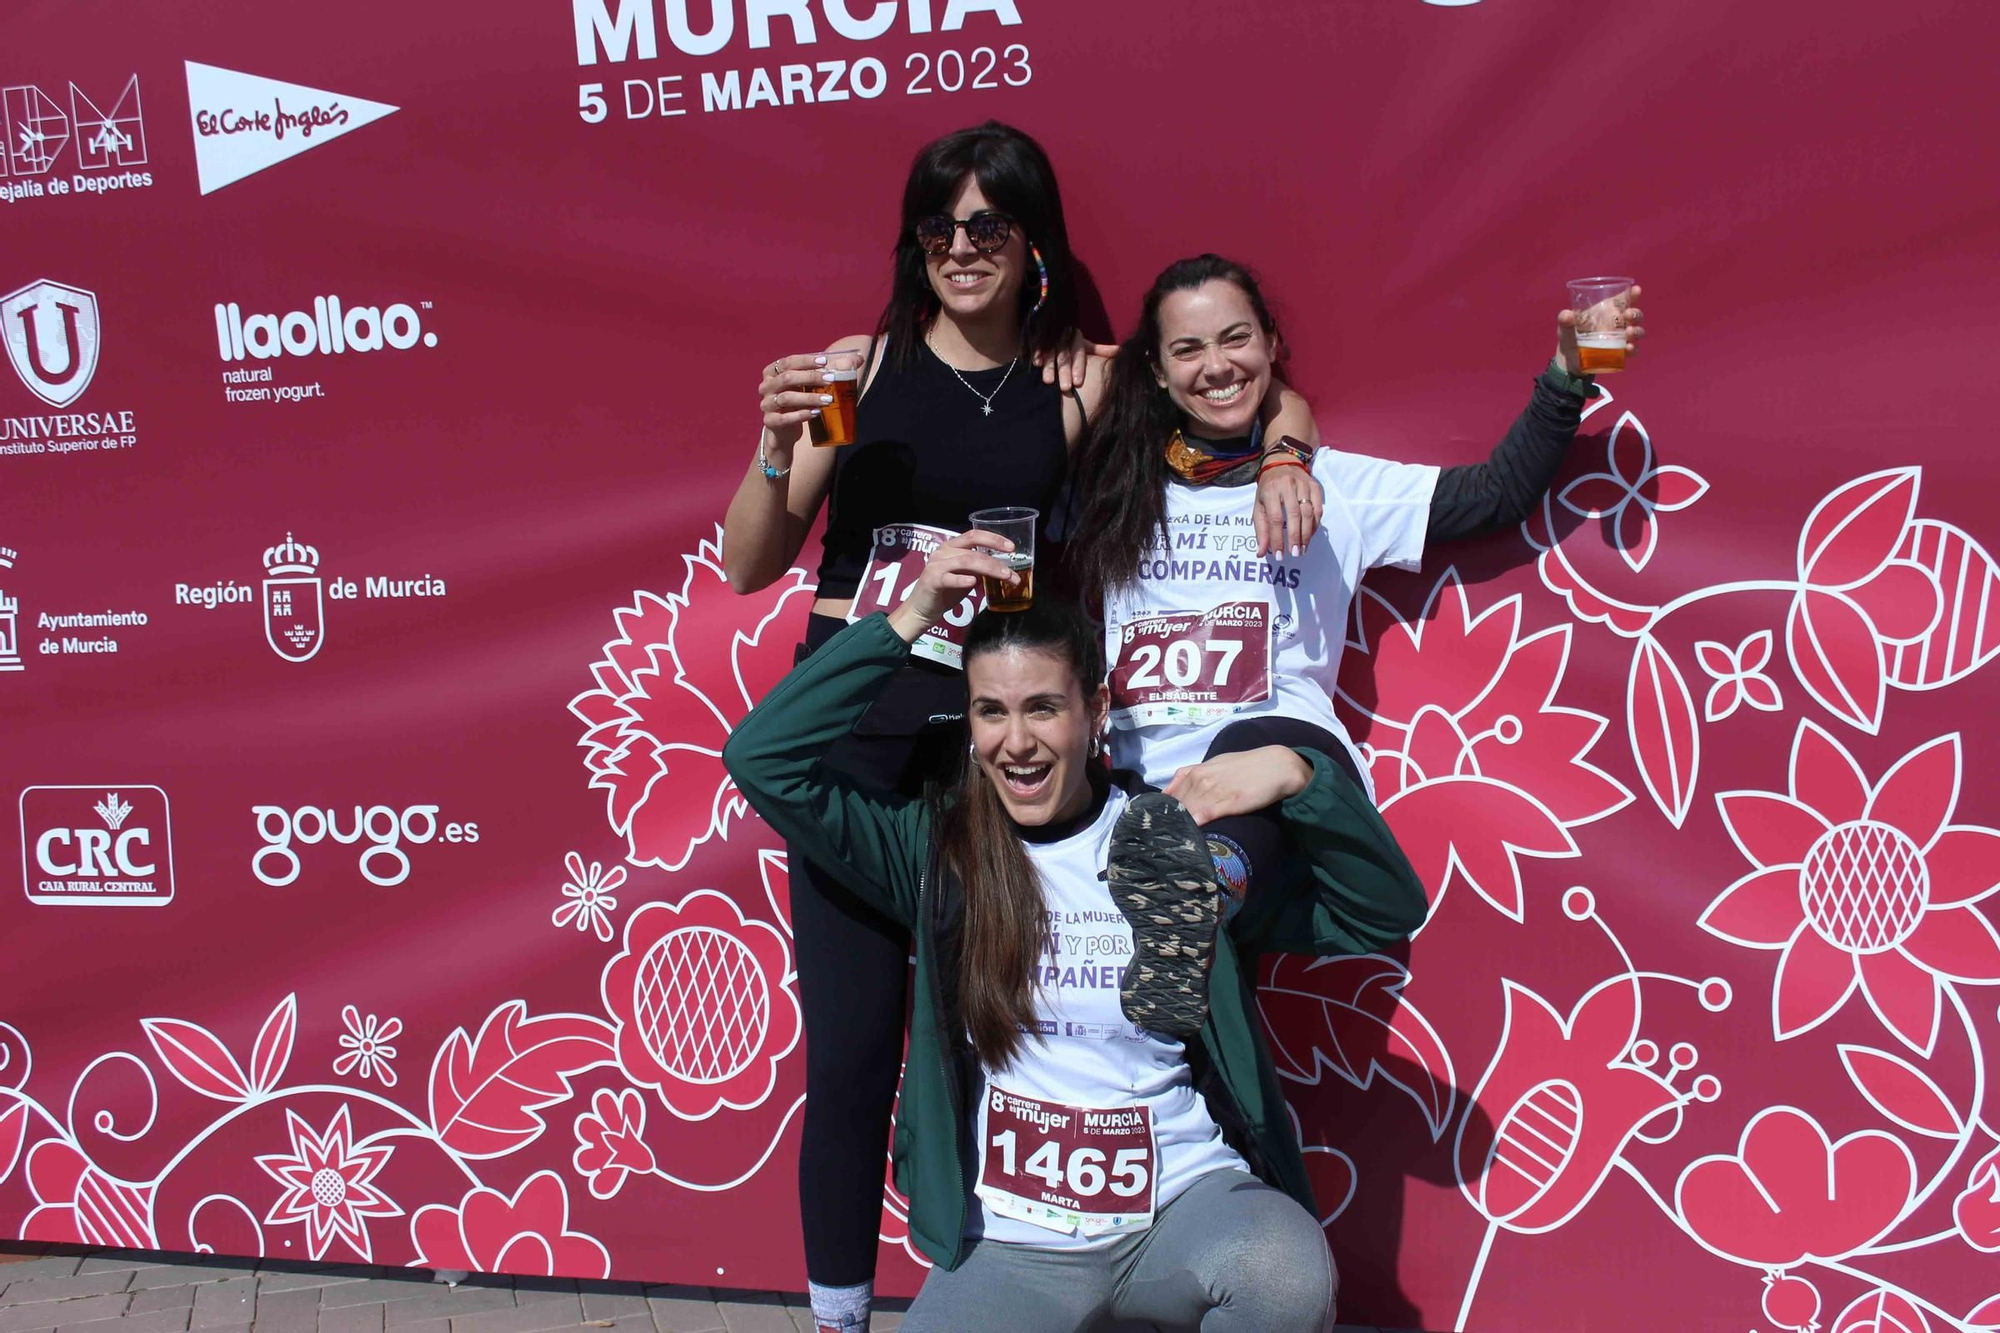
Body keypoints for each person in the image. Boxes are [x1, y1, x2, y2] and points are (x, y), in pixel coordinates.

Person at [719, 132, 1323, 1333]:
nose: (959, 249)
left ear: (1031, 238)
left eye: (986, 226)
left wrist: (1289, 447)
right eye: (936, 228)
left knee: (1012, 1033)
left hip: (993, 749)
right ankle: (838, 1313)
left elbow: (1241, 389)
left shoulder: (1078, 379)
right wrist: (773, 442)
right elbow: (749, 562)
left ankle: (1066, 1266)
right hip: (862, 725)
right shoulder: (858, 366)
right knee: (848, 1055)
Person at [720, 531, 1428, 1333]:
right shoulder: (937, 850)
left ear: (1096, 708)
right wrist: (912, 613)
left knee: (1283, 1270)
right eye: (991, 710)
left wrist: (1302, 777)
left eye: (1043, 707)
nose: (1015, 741)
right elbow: (760, 758)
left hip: (1181, 1209)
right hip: (1021, 1244)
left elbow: (1382, 910)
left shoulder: (1172, 845)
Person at [1064, 254, 1646, 1034]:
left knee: (1249, 763)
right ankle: (1180, 901)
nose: (1216, 366)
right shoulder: (1113, 486)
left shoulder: (1333, 485)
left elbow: (1496, 494)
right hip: (1139, 793)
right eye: (1188, 350)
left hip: (1271, 774)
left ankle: (1198, 894)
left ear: (1271, 344)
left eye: (1235, 339)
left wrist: (1567, 377)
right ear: (1157, 370)